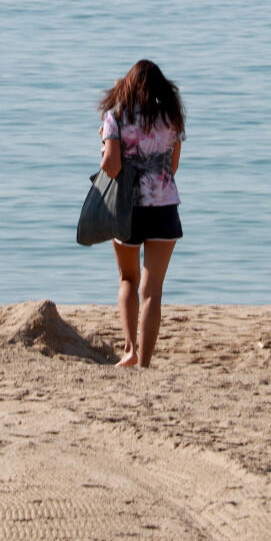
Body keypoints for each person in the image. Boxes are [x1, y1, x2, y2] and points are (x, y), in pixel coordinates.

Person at [98, 60, 185, 367]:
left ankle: (130, 350)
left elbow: (111, 165)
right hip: (164, 208)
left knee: (127, 280)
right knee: (153, 291)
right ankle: (145, 363)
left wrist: (104, 147)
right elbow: (171, 168)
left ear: (128, 86)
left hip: (127, 209)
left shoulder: (116, 117)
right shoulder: (171, 118)